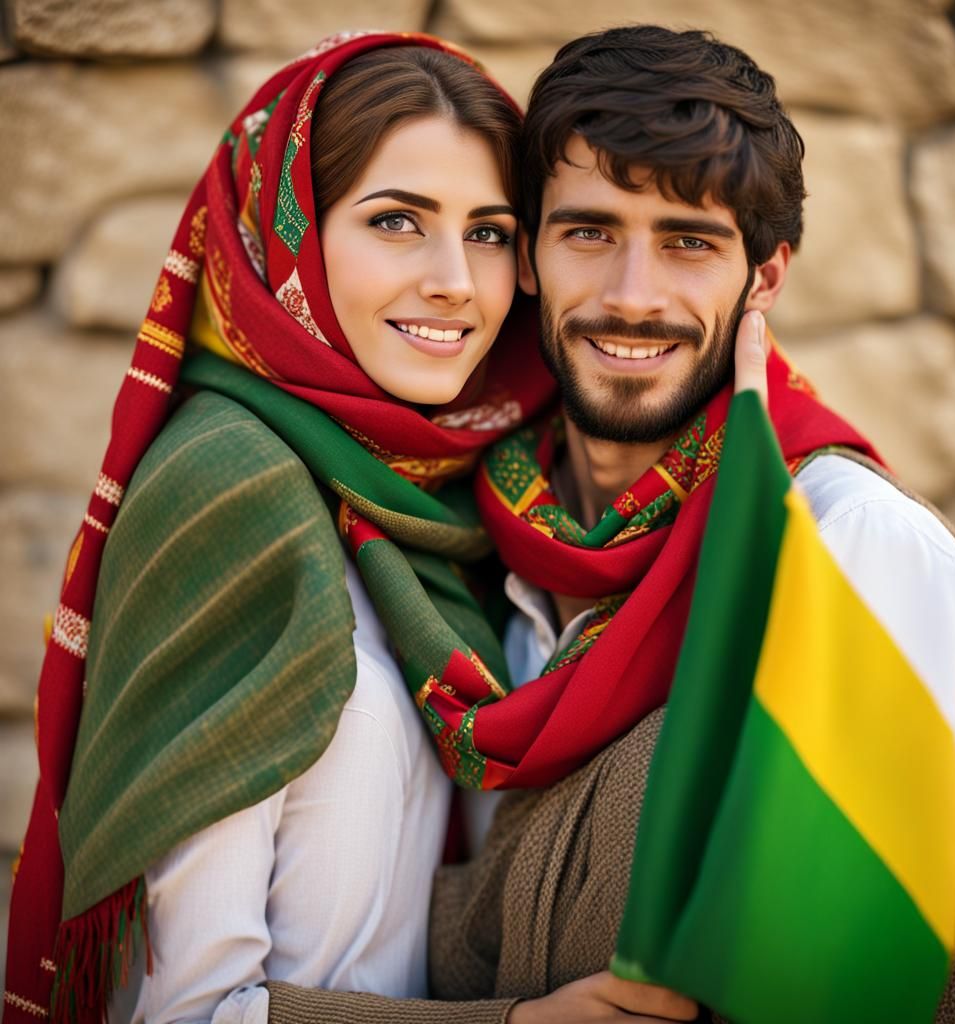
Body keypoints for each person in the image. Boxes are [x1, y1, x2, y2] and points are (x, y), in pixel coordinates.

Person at [261, 25, 955, 1024]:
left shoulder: (861, 554)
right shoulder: (453, 556)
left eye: (688, 243)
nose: (631, 297)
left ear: (766, 277)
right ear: (528, 255)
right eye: (589, 231)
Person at [1, 30, 555, 1024]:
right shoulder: (234, 495)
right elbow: (183, 1010)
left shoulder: (446, 501)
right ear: (281, 235)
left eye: (489, 231)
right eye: (396, 221)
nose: (456, 281)